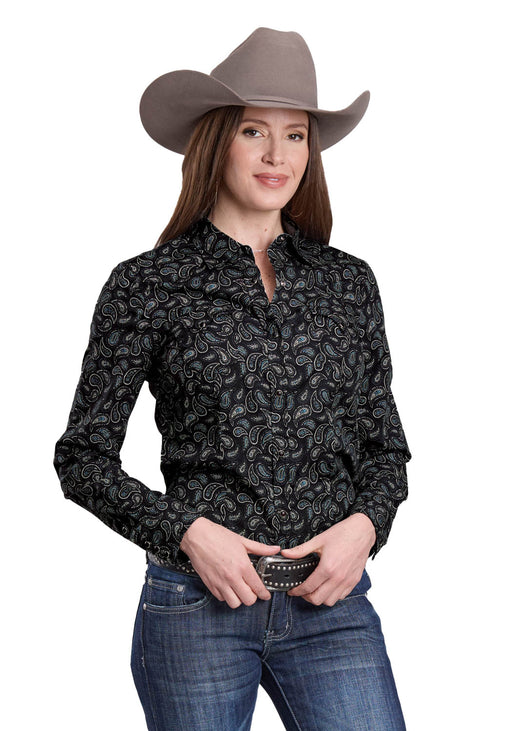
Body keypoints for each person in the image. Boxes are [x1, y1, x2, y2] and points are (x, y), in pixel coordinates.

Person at [53, 27, 412, 731]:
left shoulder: (349, 283)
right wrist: (187, 532)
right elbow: (82, 457)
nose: (278, 155)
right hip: (197, 608)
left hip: (331, 608)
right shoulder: (147, 285)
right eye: (254, 131)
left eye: (296, 135)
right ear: (217, 142)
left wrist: (366, 527)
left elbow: (384, 448)